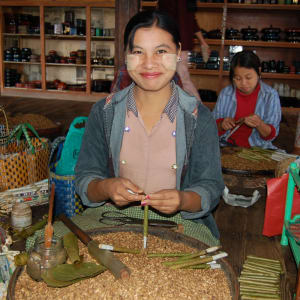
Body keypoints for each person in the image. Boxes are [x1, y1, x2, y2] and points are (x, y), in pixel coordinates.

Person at [75, 10, 224, 240]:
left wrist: (183, 200)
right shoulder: (105, 112)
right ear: (126, 55)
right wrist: (106, 188)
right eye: (138, 52)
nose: (149, 63)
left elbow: (210, 187)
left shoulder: (198, 117)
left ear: (178, 53)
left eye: (161, 51)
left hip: (179, 226)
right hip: (113, 219)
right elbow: (85, 179)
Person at [212, 50, 281, 149]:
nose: (244, 83)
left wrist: (259, 124)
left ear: (259, 72)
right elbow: (211, 127)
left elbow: (271, 135)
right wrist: (222, 125)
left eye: (248, 78)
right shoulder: (226, 93)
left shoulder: (270, 95)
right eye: (238, 78)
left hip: (258, 148)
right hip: (226, 146)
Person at [159, 0, 211, 102]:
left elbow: (164, 20)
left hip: (172, 45)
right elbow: (192, 21)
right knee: (181, 80)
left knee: (181, 80)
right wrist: (203, 42)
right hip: (181, 45)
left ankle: (200, 112)